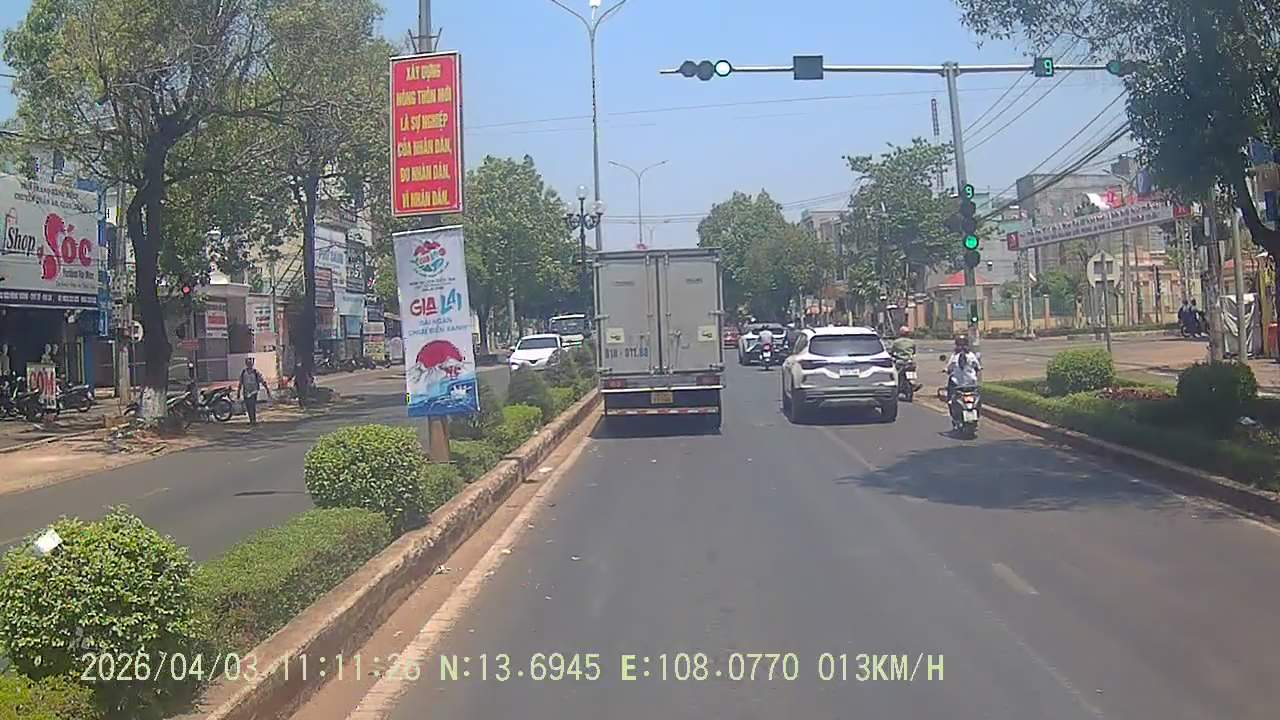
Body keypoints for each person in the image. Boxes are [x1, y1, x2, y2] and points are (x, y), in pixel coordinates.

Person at [946, 334, 981, 403]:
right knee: (977, 394)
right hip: (971, 382)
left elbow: (949, 367)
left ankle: (950, 400)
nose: (961, 346)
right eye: (960, 344)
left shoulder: (955, 355)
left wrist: (947, 370)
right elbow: (977, 366)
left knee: (951, 384)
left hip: (957, 382)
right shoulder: (971, 355)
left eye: (962, 344)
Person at [238, 357, 271, 426]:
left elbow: (262, 381)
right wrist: (238, 392)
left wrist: (267, 389)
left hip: (254, 391)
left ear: (252, 364)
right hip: (246, 392)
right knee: (248, 406)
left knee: (252, 405)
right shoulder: (244, 372)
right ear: (246, 364)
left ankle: (253, 420)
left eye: (251, 363)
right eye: (248, 363)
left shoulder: (256, 372)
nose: (249, 364)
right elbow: (240, 382)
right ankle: (251, 420)